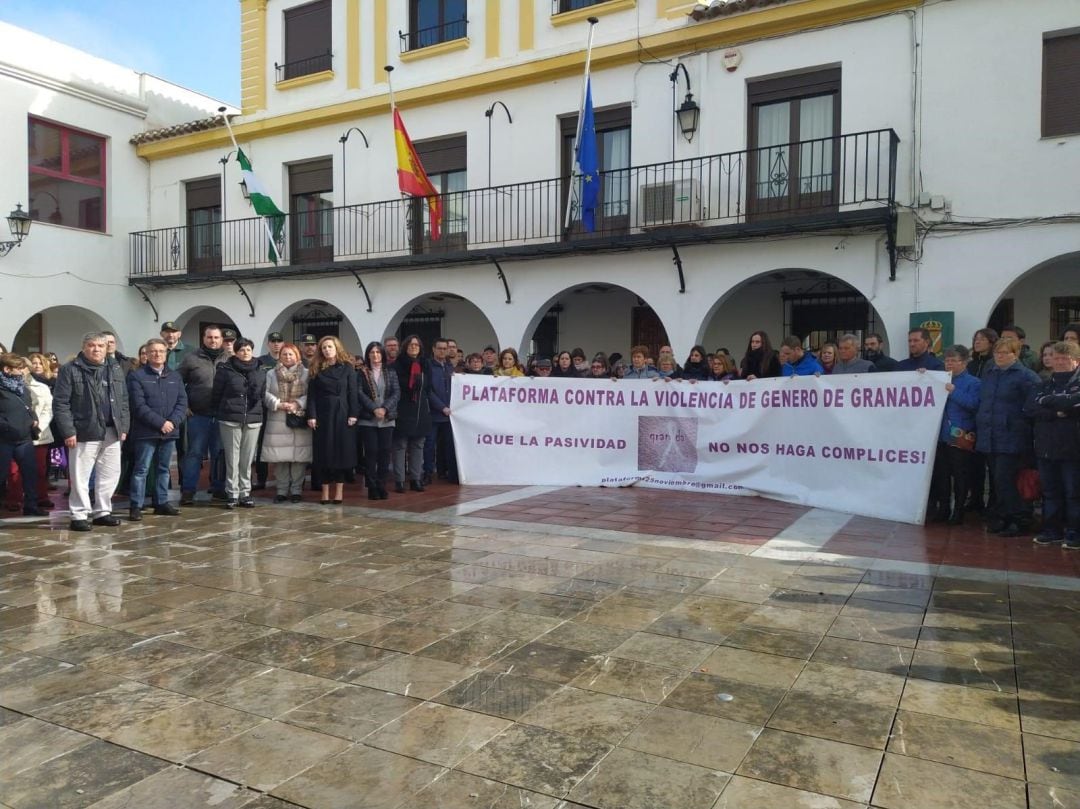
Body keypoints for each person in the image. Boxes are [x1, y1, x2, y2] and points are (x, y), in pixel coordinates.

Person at [52, 332, 130, 531]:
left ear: (106, 348)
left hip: (112, 430)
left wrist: (124, 426)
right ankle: (79, 515)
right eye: (91, 345)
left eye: (100, 346)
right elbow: (61, 403)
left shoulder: (114, 368)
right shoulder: (70, 369)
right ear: (84, 347)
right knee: (80, 476)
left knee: (110, 474)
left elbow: (123, 401)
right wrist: (68, 431)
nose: (96, 349)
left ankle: (103, 512)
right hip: (83, 430)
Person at [975, 337, 1040, 537]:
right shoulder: (990, 373)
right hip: (990, 436)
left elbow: (1033, 408)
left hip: (1013, 437)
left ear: (1016, 354)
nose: (1000, 356)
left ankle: (1020, 519)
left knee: (1008, 480)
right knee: (998, 481)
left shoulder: (1026, 376)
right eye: (997, 352)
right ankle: (1004, 516)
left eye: (1005, 353)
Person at [1025, 341, 1080, 547]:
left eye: (1065, 359)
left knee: (1073, 494)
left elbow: (1074, 404)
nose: (1059, 362)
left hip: (1073, 449)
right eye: (1056, 358)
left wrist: (1048, 402)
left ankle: (1075, 533)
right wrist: (1058, 411)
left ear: (1076, 361)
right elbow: (1030, 408)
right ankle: (1051, 531)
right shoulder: (1043, 383)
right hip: (1045, 447)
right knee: (1050, 493)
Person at [126, 338, 187, 521]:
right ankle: (136, 505)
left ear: (166, 353)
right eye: (153, 351)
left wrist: (172, 422)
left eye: (161, 351)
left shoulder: (175, 376)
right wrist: (161, 423)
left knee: (163, 469)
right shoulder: (137, 376)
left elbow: (182, 402)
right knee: (141, 470)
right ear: (146, 354)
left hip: (169, 431)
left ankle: (161, 502)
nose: (157, 354)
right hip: (146, 431)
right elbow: (138, 406)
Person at [211, 337, 266, 509]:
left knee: (247, 458)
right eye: (242, 349)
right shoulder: (225, 369)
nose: (245, 352)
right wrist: (221, 411)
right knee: (232, 458)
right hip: (230, 419)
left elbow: (262, 394)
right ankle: (232, 493)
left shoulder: (260, 369)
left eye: (248, 349)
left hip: (253, 418)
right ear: (236, 352)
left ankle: (245, 493)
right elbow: (216, 394)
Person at [929, 345, 980, 525]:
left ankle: (958, 510)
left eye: (953, 360)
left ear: (964, 362)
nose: (949, 363)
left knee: (960, 475)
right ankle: (943, 509)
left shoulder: (974, 383)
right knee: (942, 475)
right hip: (940, 434)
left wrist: (954, 392)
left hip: (960, 435)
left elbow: (974, 404)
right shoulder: (940, 378)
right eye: (947, 360)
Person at [178, 325, 228, 505]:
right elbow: (177, 382)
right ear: (204, 338)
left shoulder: (229, 359)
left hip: (222, 415)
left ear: (221, 340)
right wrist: (184, 405)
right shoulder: (191, 358)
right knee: (194, 453)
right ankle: (188, 490)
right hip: (198, 415)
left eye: (216, 337)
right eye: (209, 337)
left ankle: (218, 488)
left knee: (219, 454)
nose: (213, 340)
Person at [306, 336, 358, 504]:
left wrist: (353, 414)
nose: (327, 350)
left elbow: (353, 392)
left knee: (341, 454)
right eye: (324, 347)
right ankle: (325, 491)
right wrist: (312, 415)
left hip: (343, 414)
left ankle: (339, 492)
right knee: (324, 453)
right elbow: (312, 395)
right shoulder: (316, 367)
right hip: (323, 415)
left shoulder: (347, 367)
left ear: (337, 348)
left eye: (330, 347)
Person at [262, 342, 311, 503]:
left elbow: (310, 394)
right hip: (278, 420)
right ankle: (281, 491)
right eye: (285, 354)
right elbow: (265, 393)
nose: (288, 357)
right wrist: (278, 403)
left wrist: (297, 403)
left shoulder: (306, 373)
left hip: (298, 418)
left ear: (297, 356)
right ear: (280, 356)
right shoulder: (271, 373)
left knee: (298, 459)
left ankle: (296, 490)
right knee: (280, 459)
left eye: (291, 354)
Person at [0, 354, 46, 517]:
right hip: (4, 439)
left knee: (30, 473)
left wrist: (34, 419)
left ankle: (31, 506)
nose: (22, 371)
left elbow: (29, 407)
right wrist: (7, 427)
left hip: (24, 439)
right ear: (7, 369)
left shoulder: (22, 388)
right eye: (19, 368)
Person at [357, 341, 399, 500]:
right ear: (368, 355)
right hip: (368, 419)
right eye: (372, 352)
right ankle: (372, 486)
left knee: (385, 452)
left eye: (378, 352)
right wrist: (374, 408)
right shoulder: (361, 373)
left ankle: (382, 485)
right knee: (371, 452)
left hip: (387, 419)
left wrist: (385, 408)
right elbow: (359, 393)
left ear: (382, 354)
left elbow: (396, 393)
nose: (375, 355)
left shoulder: (390, 372)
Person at [392, 335, 431, 493]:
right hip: (403, 409)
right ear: (405, 347)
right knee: (400, 446)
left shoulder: (425, 364)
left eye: (416, 345)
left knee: (418, 445)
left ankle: (416, 479)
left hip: (420, 410)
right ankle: (400, 480)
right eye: (411, 344)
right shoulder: (397, 365)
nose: (414, 347)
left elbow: (428, 387)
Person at [425, 337, 458, 485]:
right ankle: (427, 473)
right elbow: (428, 390)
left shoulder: (450, 367)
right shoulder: (428, 366)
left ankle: (451, 473)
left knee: (450, 445)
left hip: (450, 414)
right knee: (430, 445)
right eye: (440, 348)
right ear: (433, 349)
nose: (442, 351)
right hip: (433, 413)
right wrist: (441, 407)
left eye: (445, 349)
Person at [24, 360, 54, 511]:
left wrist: (38, 427)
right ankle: (14, 499)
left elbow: (48, 410)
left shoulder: (42, 387)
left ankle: (42, 497)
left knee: (40, 469)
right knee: (14, 471)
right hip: (17, 433)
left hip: (40, 434)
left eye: (24, 367)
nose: (21, 370)